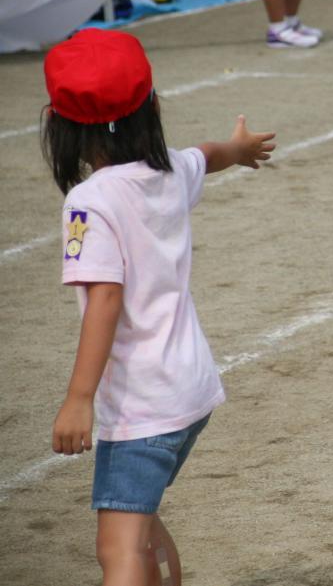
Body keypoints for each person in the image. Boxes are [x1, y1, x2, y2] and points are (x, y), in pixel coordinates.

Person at [42, 29, 276, 585]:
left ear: (59, 123)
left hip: (141, 407)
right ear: (150, 106)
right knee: (139, 525)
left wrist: (79, 400)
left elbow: (105, 296)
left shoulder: (89, 201)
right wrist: (239, 150)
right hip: (191, 390)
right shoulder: (168, 170)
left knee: (117, 552)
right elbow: (208, 155)